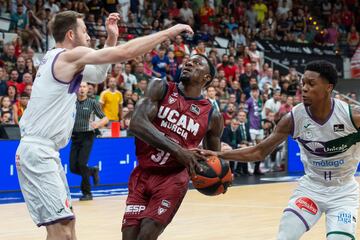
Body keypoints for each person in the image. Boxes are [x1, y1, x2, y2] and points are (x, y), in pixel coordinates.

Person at [15, 10, 194, 240]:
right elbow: (124, 53)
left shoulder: (59, 58)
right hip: (38, 152)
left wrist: (110, 38)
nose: (88, 37)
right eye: (85, 31)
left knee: (66, 225)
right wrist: (170, 31)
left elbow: (98, 75)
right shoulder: (68, 56)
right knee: (61, 230)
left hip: (43, 152)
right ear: (71, 34)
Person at [198, 60, 360, 240]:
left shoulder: (352, 116)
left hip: (343, 192)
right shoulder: (293, 118)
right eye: (303, 83)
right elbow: (259, 152)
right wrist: (220, 154)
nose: (304, 88)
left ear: (329, 88)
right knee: (285, 237)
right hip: (311, 189)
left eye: (311, 84)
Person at [122, 54, 223, 240]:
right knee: (129, 236)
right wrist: (178, 150)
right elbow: (136, 123)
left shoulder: (212, 115)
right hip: (142, 173)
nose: (189, 62)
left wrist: (221, 177)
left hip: (173, 179)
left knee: (145, 236)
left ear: (206, 78)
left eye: (197, 63)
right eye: (189, 60)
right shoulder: (160, 87)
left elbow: (212, 157)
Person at [70, 82, 108, 201]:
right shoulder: (70, 102)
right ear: (76, 89)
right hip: (74, 136)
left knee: (82, 164)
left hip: (88, 135)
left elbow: (105, 118)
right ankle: (92, 171)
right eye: (79, 86)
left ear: (88, 89)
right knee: (73, 168)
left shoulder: (92, 103)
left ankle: (87, 193)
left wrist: (98, 124)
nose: (81, 89)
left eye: (84, 87)